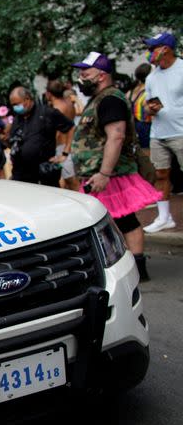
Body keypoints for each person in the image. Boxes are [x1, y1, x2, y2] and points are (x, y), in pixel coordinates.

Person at [70, 52, 161, 280]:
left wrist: (104, 173)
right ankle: (123, 266)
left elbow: (116, 136)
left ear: (101, 75)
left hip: (111, 175)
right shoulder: (100, 99)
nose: (81, 78)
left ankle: (137, 269)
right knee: (113, 221)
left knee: (123, 220)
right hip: (99, 174)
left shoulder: (110, 100)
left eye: (85, 73)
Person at [142, 32, 183, 233]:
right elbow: (147, 105)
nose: (149, 53)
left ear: (165, 49)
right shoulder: (151, 76)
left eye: (152, 49)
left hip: (181, 131)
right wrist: (149, 110)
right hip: (158, 133)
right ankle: (164, 217)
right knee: (160, 173)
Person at [8, 86, 74, 185]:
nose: (15, 107)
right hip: (21, 175)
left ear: (27, 99)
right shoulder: (17, 119)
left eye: (16, 104)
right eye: (12, 105)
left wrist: (64, 154)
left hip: (43, 174)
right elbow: (13, 142)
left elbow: (71, 128)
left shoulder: (47, 113)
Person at [46, 80, 80, 191]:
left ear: (49, 93)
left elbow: (58, 132)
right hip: (73, 144)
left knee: (71, 181)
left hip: (63, 147)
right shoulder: (69, 102)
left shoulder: (56, 109)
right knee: (68, 181)